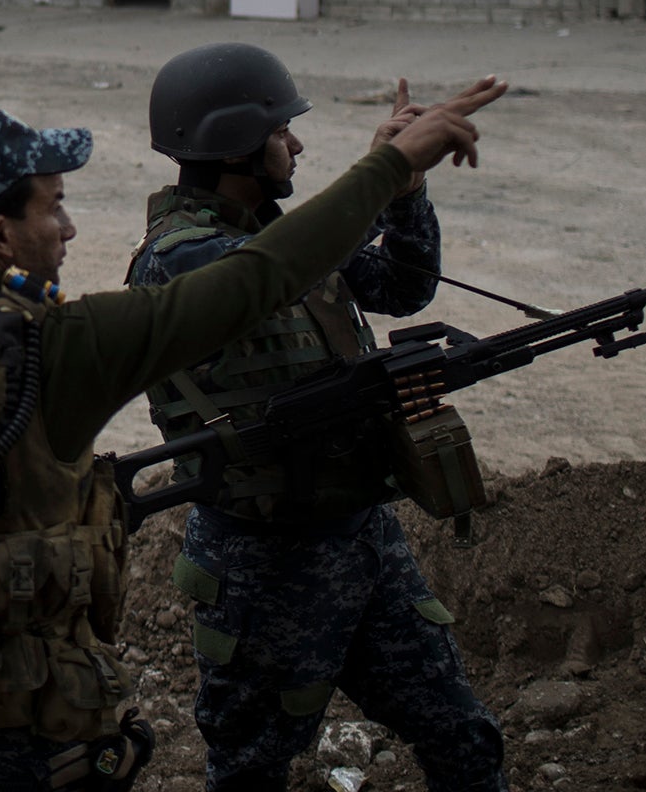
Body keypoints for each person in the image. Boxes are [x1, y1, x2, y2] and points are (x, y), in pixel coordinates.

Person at [0, 81, 505, 792]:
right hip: (23, 745)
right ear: (1, 236)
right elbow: (263, 276)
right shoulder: (63, 348)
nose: (70, 226)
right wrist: (393, 166)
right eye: (53, 207)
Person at [127, 44, 507, 792]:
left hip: (364, 542)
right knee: (253, 768)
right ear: (237, 145)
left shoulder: (280, 239)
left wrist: (405, 190)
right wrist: (381, 172)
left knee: (462, 735)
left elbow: (402, 287)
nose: (296, 144)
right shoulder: (181, 261)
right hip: (265, 569)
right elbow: (269, 268)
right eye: (282, 130)